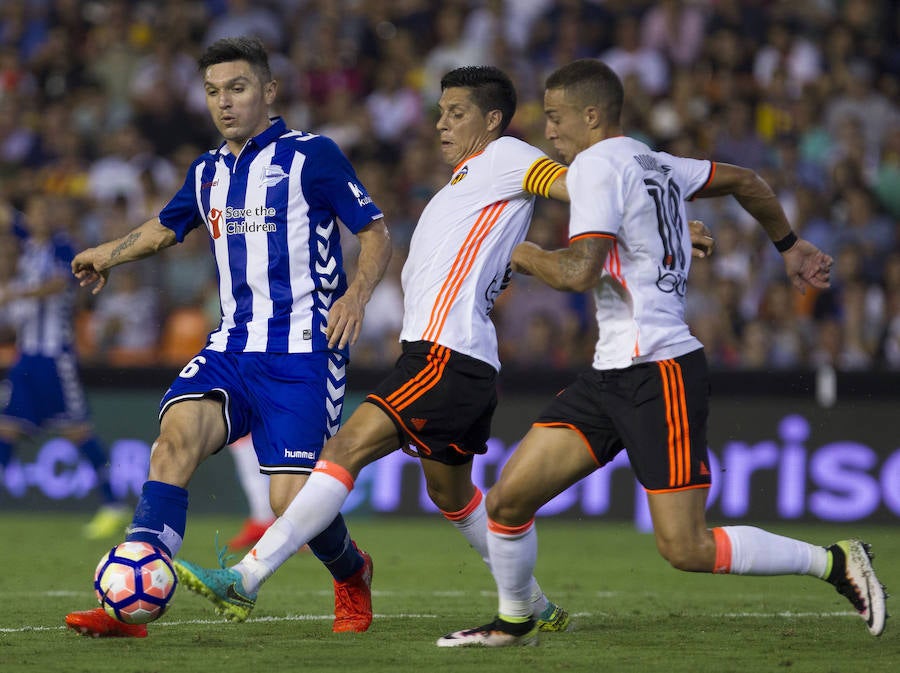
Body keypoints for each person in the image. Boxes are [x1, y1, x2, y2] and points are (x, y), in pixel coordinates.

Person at [172, 65, 714, 631]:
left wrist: (662, 219)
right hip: (465, 360)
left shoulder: (508, 156)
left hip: (444, 356)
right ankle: (532, 604)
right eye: (440, 113)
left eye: (456, 113)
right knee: (450, 493)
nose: (441, 124)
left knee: (345, 449)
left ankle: (246, 579)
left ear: (493, 120)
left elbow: (581, 184)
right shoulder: (473, 182)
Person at [435, 58, 887, 648]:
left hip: (661, 370)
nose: (548, 131)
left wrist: (519, 253)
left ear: (591, 115)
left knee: (686, 547)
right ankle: (516, 620)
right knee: (509, 499)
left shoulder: (596, 165)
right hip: (612, 371)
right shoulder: (655, 160)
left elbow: (578, 272)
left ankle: (834, 561)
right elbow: (747, 182)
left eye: (555, 117)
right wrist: (790, 244)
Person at [64, 36, 391, 639]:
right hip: (232, 347)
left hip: (303, 353)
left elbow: (374, 232)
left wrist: (358, 293)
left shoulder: (312, 156)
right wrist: (107, 254)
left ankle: (352, 572)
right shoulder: (209, 169)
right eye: (213, 92)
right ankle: (130, 606)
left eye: (237, 88)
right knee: (173, 442)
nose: (224, 102)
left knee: (290, 502)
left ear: (268, 91)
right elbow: (168, 227)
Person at [0, 194, 131, 541]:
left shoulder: (62, 247)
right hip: (26, 355)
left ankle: (114, 505)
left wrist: (15, 294)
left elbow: (61, 282)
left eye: (47, 208)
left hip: (55, 356)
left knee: (78, 432)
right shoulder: (27, 246)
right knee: (7, 430)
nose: (42, 215)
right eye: (36, 209)